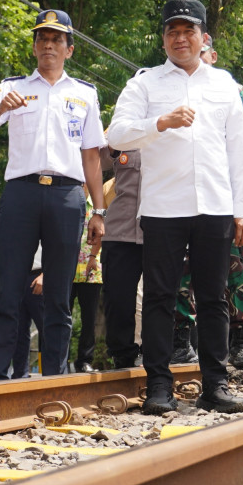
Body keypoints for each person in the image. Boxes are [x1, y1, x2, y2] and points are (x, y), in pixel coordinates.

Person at [108, 0, 243, 414]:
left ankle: (215, 385)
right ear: (163, 39)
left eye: (189, 31)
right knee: (160, 297)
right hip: (162, 207)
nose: (180, 38)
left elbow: (239, 151)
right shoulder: (145, 84)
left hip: (215, 205)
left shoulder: (224, 84)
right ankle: (158, 386)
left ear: (204, 37)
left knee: (213, 298)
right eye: (172, 31)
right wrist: (160, 123)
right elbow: (116, 135)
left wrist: (242, 210)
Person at [0, 10, 106, 379]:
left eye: (56, 39)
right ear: (33, 47)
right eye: (42, 38)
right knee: (8, 290)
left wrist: (99, 211)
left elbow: (91, 156)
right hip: (22, 194)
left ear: (69, 49)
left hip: (67, 196)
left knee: (59, 295)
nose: (48, 45)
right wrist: (0, 107)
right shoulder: (11, 88)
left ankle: (54, 380)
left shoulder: (85, 93)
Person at [172, 43, 243, 371]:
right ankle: (182, 340)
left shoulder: (232, 90)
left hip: (223, 196)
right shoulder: (170, 87)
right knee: (182, 272)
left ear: (212, 55)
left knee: (236, 269)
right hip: (183, 198)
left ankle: (241, 341)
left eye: (203, 51)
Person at [100, 147, 145, 369]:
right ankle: (122, 356)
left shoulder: (177, 130)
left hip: (161, 230)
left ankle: (158, 351)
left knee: (162, 298)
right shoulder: (122, 131)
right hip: (120, 230)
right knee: (118, 300)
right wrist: (113, 145)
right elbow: (97, 161)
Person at [70, 197, 102, 372]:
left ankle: (84, 361)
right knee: (61, 316)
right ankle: (59, 360)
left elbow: (103, 231)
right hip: (66, 268)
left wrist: (93, 256)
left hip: (91, 269)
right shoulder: (69, 197)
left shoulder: (98, 204)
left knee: (89, 319)